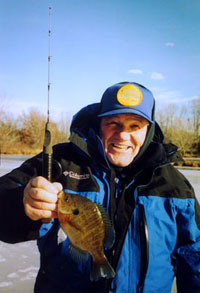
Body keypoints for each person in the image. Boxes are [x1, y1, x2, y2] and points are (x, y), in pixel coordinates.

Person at [0, 81, 200, 293]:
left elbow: (195, 255)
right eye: (113, 123)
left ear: (148, 131)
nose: (123, 135)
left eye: (135, 126)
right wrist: (22, 202)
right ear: (99, 124)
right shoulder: (58, 164)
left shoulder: (174, 185)